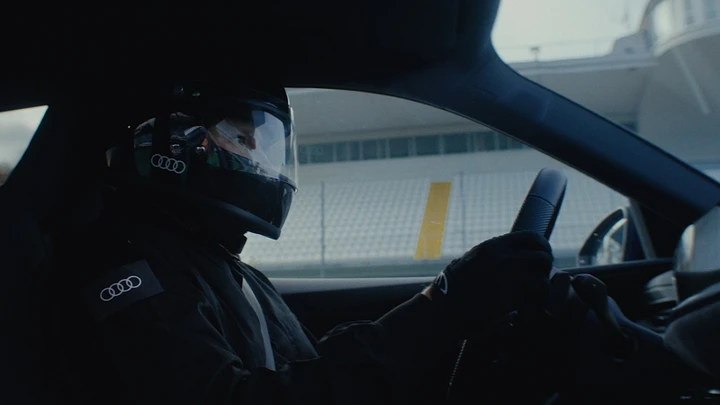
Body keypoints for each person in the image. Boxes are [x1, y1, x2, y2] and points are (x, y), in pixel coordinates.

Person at [47, 81, 553, 404]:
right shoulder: (125, 266)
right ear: (177, 144)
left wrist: (441, 320)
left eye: (264, 144)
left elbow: (304, 365)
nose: (260, 159)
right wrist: (439, 311)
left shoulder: (221, 265)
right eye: (242, 138)